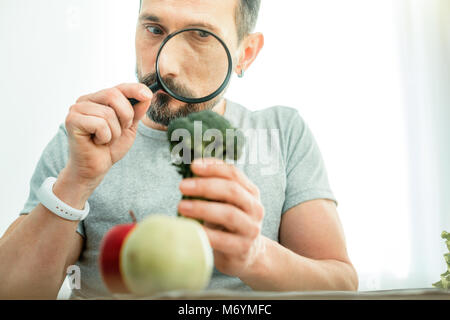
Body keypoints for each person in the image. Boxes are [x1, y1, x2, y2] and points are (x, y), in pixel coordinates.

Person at [0, 0, 358, 299]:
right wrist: (76, 183)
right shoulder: (84, 139)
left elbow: (340, 286)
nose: (165, 65)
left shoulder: (283, 132)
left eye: (200, 35)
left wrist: (254, 255)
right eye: (154, 29)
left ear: (245, 53)